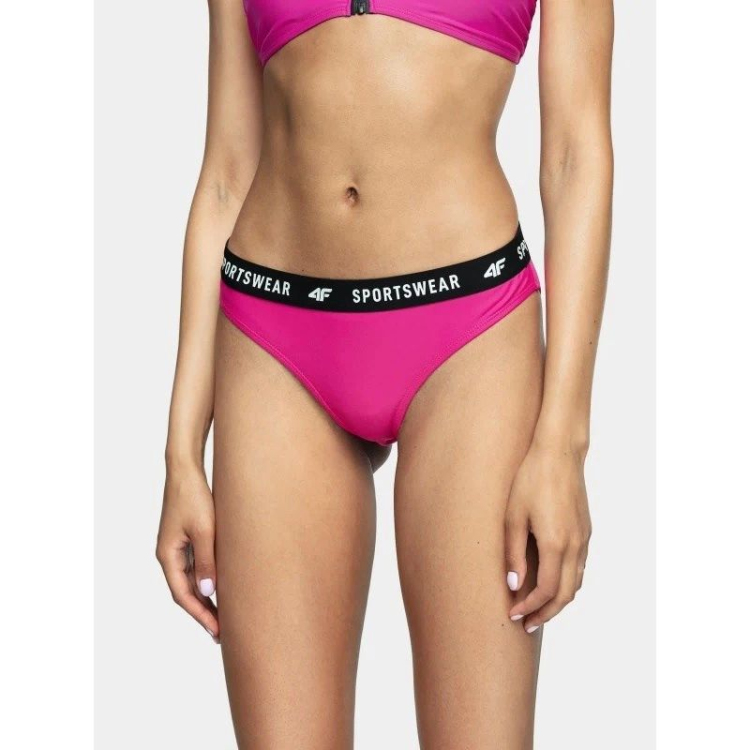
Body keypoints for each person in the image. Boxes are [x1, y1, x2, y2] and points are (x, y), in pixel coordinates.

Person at [157, 0, 614, 746]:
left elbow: (575, 154)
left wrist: (563, 444)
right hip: (273, 335)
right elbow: (224, 177)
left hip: (468, 333)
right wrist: (180, 451)